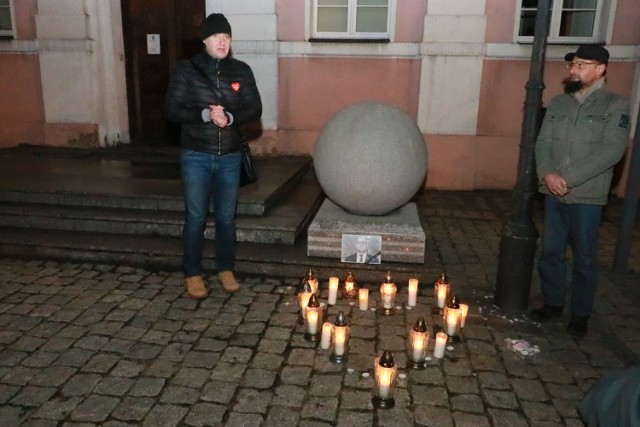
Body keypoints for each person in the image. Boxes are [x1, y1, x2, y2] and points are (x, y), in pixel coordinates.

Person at [531, 45, 630, 336]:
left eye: (582, 65)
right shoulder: (560, 104)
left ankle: (580, 314)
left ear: (601, 69)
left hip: (587, 195)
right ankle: (552, 303)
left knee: (585, 256)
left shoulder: (615, 106)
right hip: (553, 192)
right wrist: (547, 174)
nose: (574, 70)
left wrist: (569, 178)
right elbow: (543, 142)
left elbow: (612, 150)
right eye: (572, 65)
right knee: (551, 251)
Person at [165, 13, 262, 298]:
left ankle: (225, 268)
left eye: (227, 37)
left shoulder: (242, 71)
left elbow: (254, 109)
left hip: (230, 156)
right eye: (217, 36)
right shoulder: (187, 70)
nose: (222, 41)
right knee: (195, 216)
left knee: (226, 218)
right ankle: (192, 272)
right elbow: (172, 109)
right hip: (196, 154)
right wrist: (205, 115)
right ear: (205, 40)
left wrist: (230, 116)